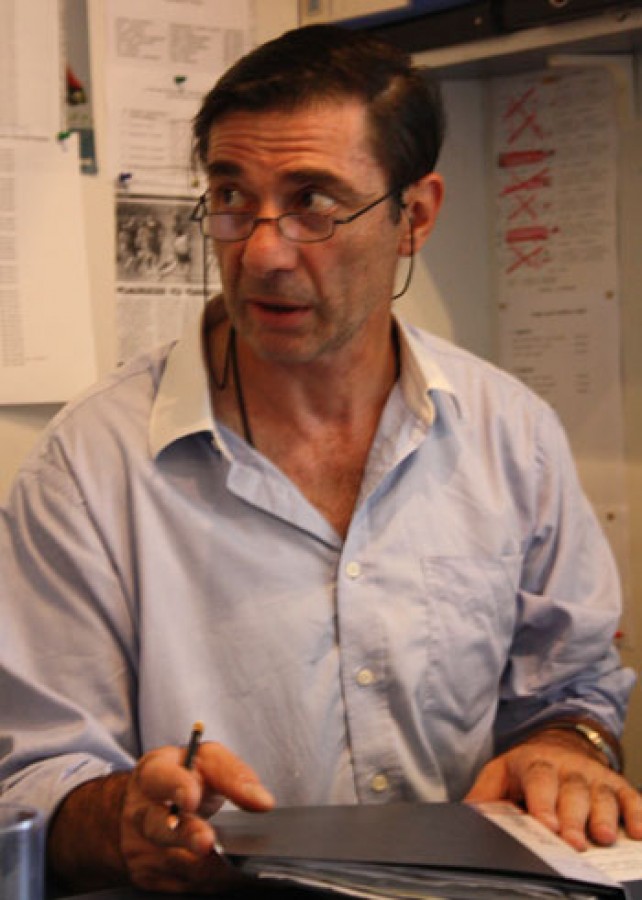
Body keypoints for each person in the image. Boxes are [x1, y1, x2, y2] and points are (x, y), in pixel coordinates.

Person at [1, 23, 641, 895]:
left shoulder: (511, 434)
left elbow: (570, 684)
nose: (262, 251)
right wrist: (124, 817)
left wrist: (566, 748)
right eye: (232, 196)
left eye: (313, 202)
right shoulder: (90, 467)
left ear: (415, 217)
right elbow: (32, 782)